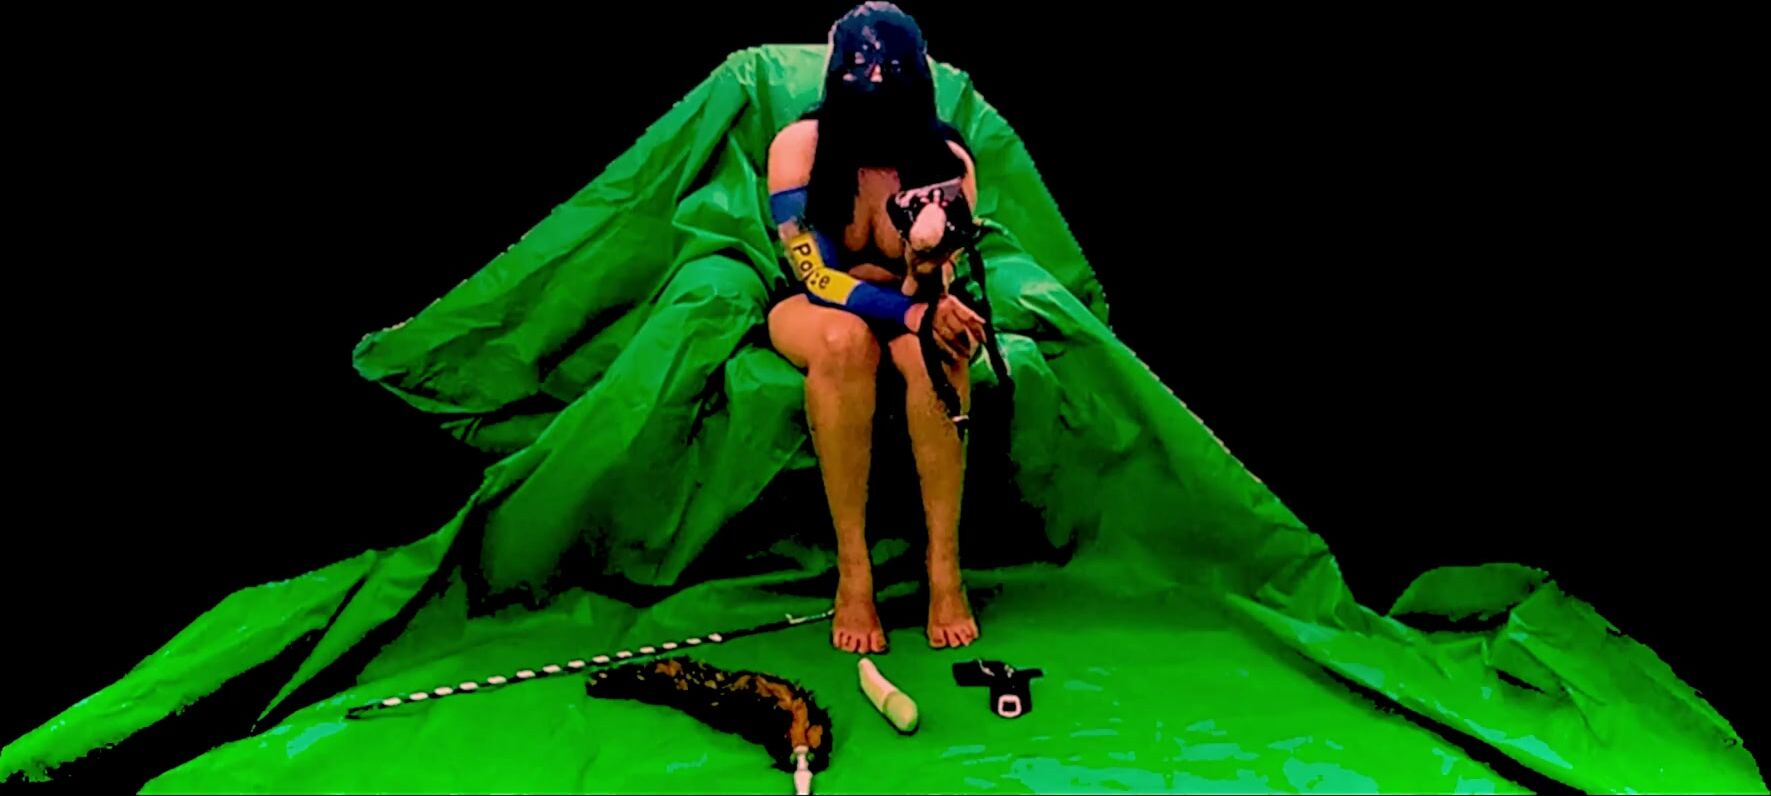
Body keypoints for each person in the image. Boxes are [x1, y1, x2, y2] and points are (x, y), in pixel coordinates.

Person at [765, 1, 990, 653]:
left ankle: (943, 570)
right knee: (845, 341)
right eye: (857, 65)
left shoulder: (946, 162)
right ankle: (854, 574)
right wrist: (911, 311)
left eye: (889, 68)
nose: (872, 80)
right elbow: (816, 276)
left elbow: (932, 284)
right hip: (818, 307)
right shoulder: (798, 148)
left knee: (936, 356)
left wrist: (924, 280)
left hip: (907, 298)